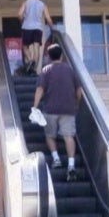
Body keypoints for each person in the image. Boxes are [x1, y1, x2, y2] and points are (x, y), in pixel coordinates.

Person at [31, 43, 82, 181]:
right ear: (62, 56)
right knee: (69, 136)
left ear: (48, 56)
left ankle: (56, 158)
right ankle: (71, 165)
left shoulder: (46, 70)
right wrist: (77, 104)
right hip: (68, 109)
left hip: (50, 109)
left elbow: (40, 89)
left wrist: (35, 107)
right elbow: (79, 90)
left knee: (50, 135)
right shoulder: (70, 70)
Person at [18, 0, 54, 75]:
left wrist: (22, 21)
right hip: (38, 28)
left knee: (25, 47)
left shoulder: (26, 2)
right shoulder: (43, 5)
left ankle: (30, 60)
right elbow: (48, 18)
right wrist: (52, 28)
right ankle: (34, 68)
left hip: (27, 27)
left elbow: (19, 14)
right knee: (36, 47)